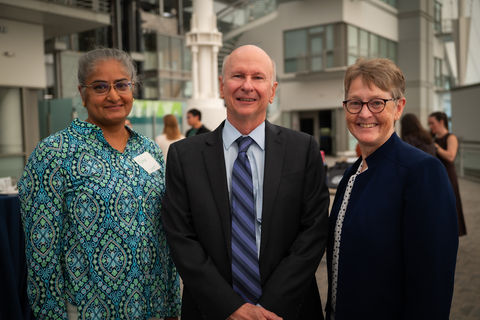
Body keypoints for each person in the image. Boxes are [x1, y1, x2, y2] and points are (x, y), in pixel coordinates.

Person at [162, 45, 330, 320]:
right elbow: (181, 237)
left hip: (288, 310)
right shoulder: (185, 155)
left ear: (273, 90)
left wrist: (267, 308)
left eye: (258, 77)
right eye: (238, 75)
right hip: (211, 311)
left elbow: (313, 231)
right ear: (222, 85)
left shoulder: (303, 149)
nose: (247, 86)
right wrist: (230, 307)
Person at [18, 48, 181, 320]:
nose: (114, 95)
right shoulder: (54, 153)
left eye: (122, 85)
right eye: (100, 87)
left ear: (133, 88)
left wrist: (173, 305)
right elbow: (41, 252)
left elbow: (164, 234)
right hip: (89, 309)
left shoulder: (149, 150)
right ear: (83, 94)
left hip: (153, 305)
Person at [326, 58, 458, 320]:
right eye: (355, 102)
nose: (364, 113)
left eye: (377, 102)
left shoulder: (422, 171)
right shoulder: (352, 173)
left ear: (398, 107)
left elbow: (432, 286)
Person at [428, 111, 467, 236]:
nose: (430, 126)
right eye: (429, 123)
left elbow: (451, 156)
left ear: (441, 122)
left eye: (432, 123)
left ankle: (452, 233)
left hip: (448, 175)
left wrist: (435, 146)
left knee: (450, 204)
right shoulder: (433, 138)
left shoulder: (451, 137)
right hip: (437, 176)